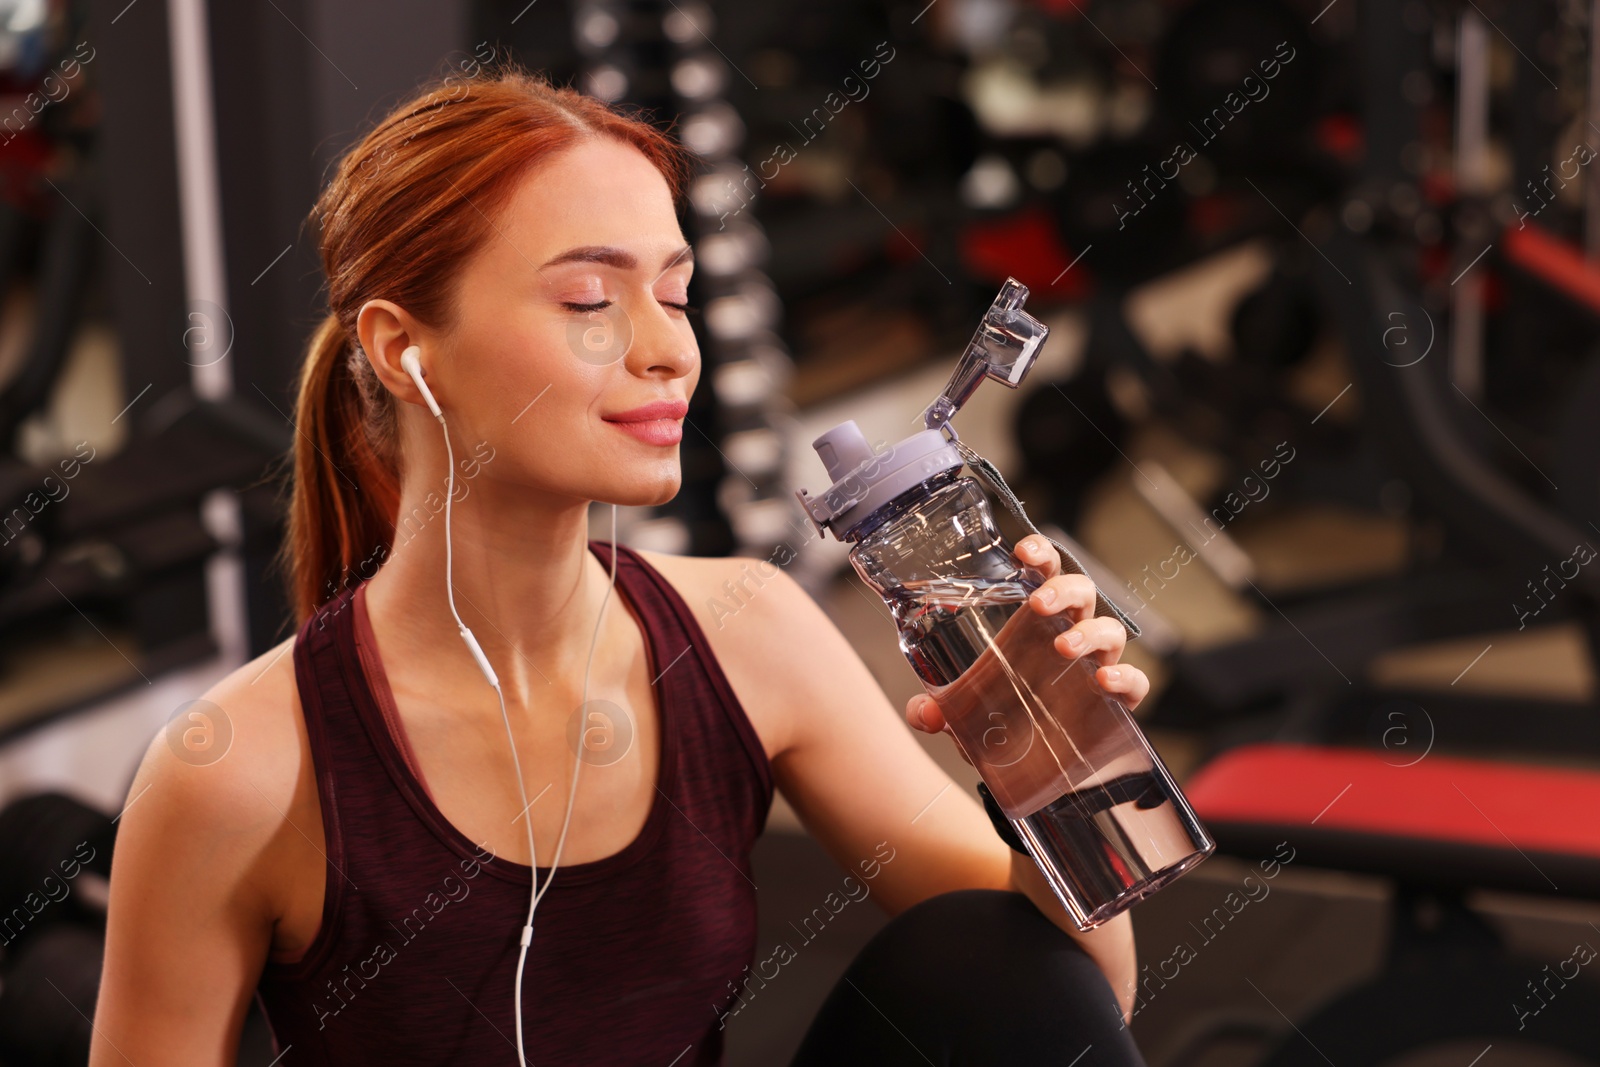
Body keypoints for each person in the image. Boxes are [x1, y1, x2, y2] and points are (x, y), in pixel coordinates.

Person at [90, 67, 1152, 1066]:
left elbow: (1066, 1002)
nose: (669, 349)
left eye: (676, 294)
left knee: (986, 950)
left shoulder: (748, 631)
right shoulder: (235, 773)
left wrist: (1058, 761)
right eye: (593, 301)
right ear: (403, 350)